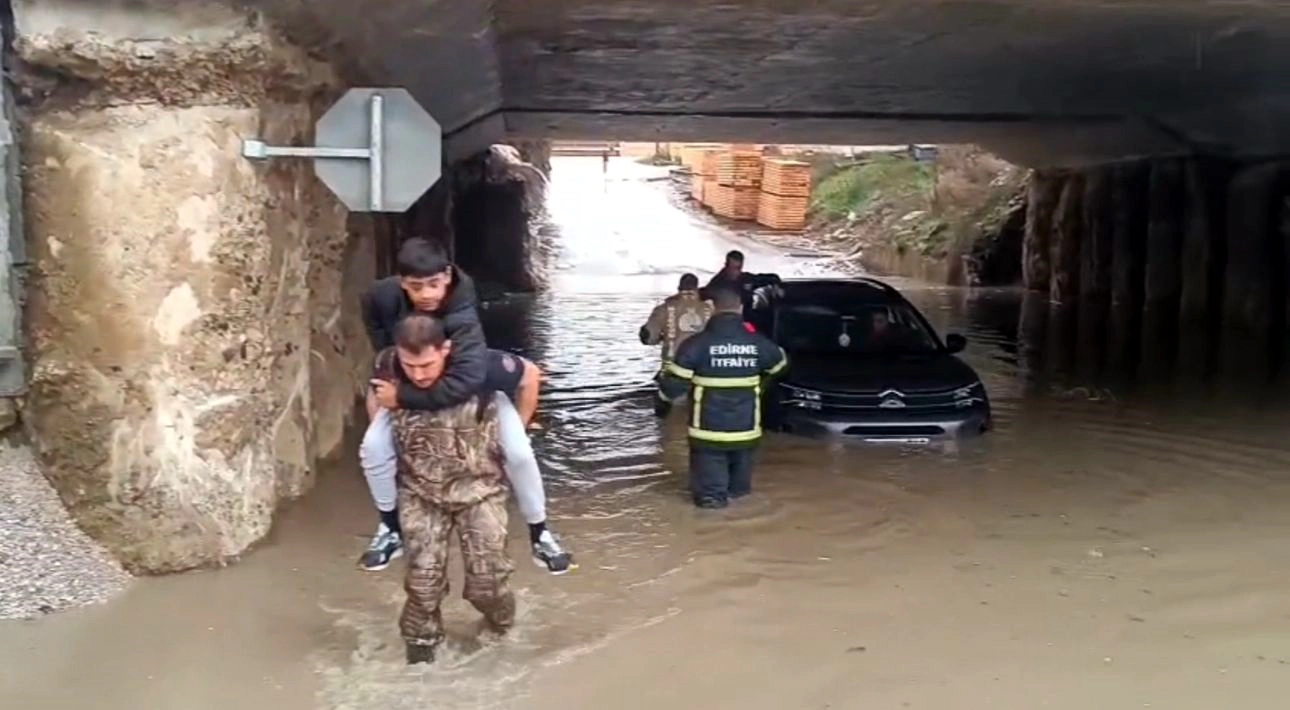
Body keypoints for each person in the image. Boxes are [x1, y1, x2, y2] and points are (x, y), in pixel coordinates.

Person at [359, 237, 572, 574]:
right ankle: (389, 528)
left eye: (434, 284)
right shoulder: (383, 302)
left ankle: (540, 533)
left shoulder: (473, 346)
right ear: (403, 283)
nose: (427, 294)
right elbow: (378, 378)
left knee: (519, 453)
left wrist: (519, 425)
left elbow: (528, 374)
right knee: (373, 447)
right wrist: (392, 423)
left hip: (471, 390)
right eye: (417, 286)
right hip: (409, 385)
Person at [377, 314, 515, 665]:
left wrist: (519, 431)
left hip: (480, 490)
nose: (419, 375)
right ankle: (419, 662)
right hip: (420, 493)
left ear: (446, 350)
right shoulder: (387, 369)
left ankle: (502, 631)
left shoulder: (484, 368)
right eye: (411, 366)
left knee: (488, 583)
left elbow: (530, 376)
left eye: (426, 365)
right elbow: (376, 428)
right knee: (423, 585)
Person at [660, 287, 788, 508]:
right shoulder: (757, 343)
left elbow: (673, 387)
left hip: (708, 436)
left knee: (710, 501)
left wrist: (661, 407)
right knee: (741, 497)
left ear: (711, 308)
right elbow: (781, 367)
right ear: (741, 308)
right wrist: (759, 384)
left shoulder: (696, 345)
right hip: (746, 433)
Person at [639, 273, 713, 417]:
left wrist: (662, 335)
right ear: (697, 288)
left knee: (667, 414)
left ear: (679, 288)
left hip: (672, 370)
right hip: (703, 371)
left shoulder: (664, 308)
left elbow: (648, 339)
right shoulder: (710, 309)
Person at [700, 250, 782, 313]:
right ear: (726, 265)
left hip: (747, 319)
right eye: (732, 268)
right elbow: (703, 296)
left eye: (738, 268)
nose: (735, 272)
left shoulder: (746, 279)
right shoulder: (717, 283)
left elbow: (772, 278)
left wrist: (777, 287)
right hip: (726, 319)